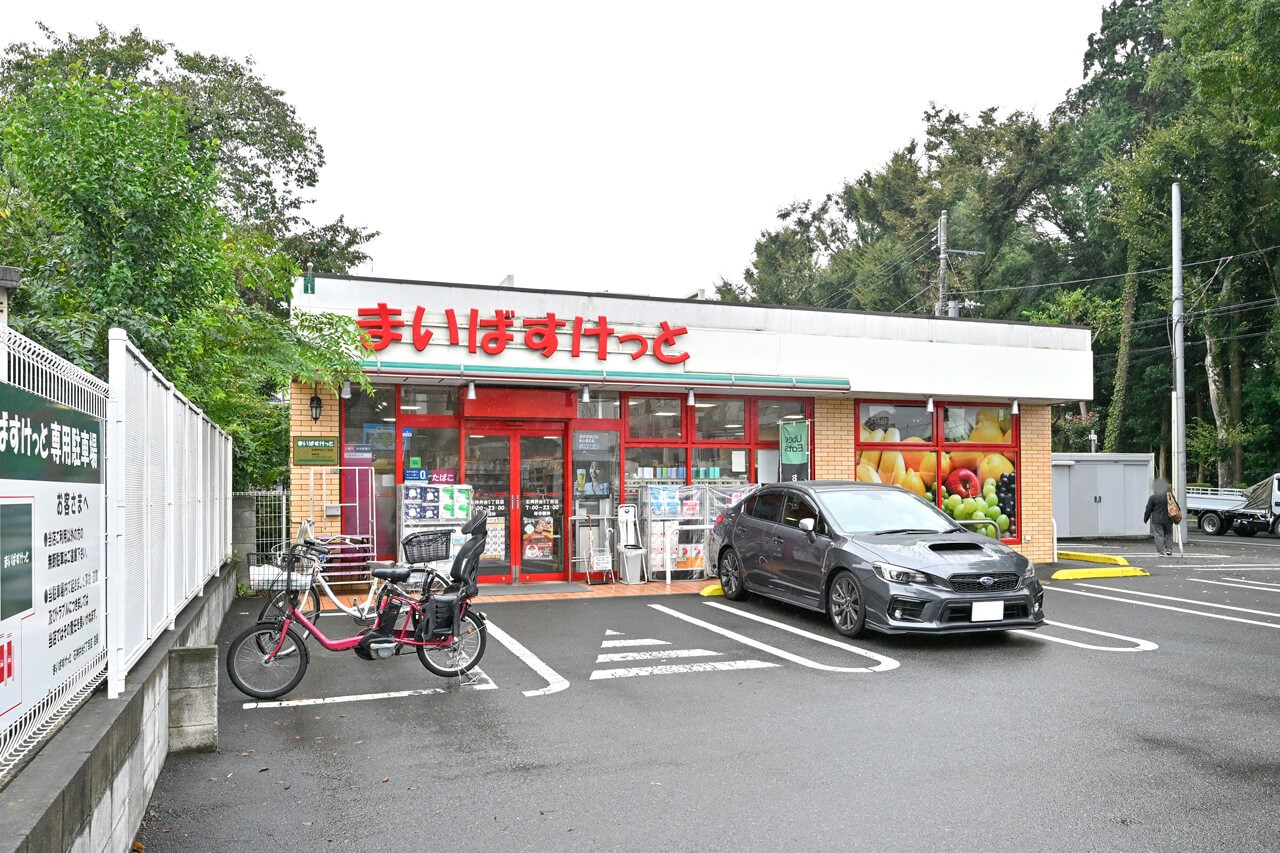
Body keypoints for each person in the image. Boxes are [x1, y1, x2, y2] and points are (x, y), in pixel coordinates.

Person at [1143, 479, 1174, 556]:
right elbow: (1175, 506)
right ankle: (1169, 549)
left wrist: (1145, 519)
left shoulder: (1153, 497)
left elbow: (1148, 509)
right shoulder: (1169, 496)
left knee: (1158, 535)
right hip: (1168, 519)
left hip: (1157, 519)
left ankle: (1161, 552)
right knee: (1168, 534)